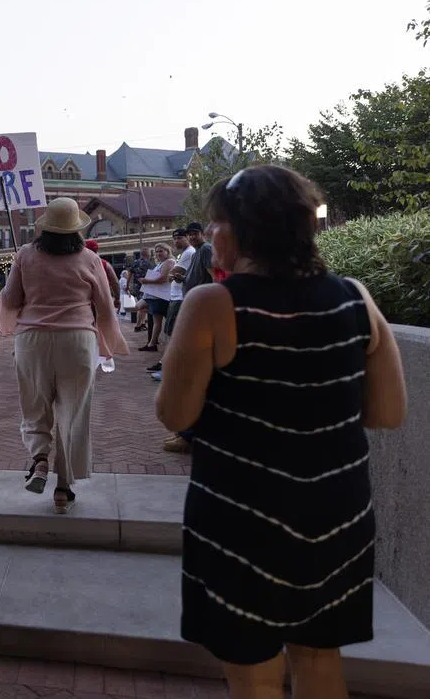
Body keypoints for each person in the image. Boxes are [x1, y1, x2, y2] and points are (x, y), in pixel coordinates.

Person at [155, 166, 406, 699]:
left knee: (253, 672)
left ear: (241, 230)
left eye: (215, 222)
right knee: (319, 659)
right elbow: (388, 411)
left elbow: (175, 414)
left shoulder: (213, 305)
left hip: (240, 516)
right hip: (338, 515)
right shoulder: (356, 298)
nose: (210, 233)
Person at [0, 198, 129, 513]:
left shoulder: (25, 255)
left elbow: (12, 298)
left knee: (34, 405)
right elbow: (105, 306)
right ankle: (63, 489)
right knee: (72, 414)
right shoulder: (90, 259)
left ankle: (40, 459)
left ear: (45, 227)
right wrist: (111, 343)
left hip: (32, 341)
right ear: (77, 229)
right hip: (78, 340)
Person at [158, 221, 215, 452]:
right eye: (189, 234)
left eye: (194, 234)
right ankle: (185, 432)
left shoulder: (207, 250)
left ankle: (188, 435)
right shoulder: (199, 252)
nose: (191, 238)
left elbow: (215, 278)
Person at [138, 244, 175, 352]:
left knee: (160, 322)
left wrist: (147, 281)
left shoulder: (169, 262)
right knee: (157, 322)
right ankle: (152, 343)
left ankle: (153, 344)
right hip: (156, 296)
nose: (158, 253)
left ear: (167, 251)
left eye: (161, 251)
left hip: (161, 296)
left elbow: (163, 278)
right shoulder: (161, 263)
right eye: (157, 252)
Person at [85, 239, 120, 311]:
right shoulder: (105, 264)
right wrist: (117, 298)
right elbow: (115, 282)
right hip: (102, 299)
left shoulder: (79, 265)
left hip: (85, 302)